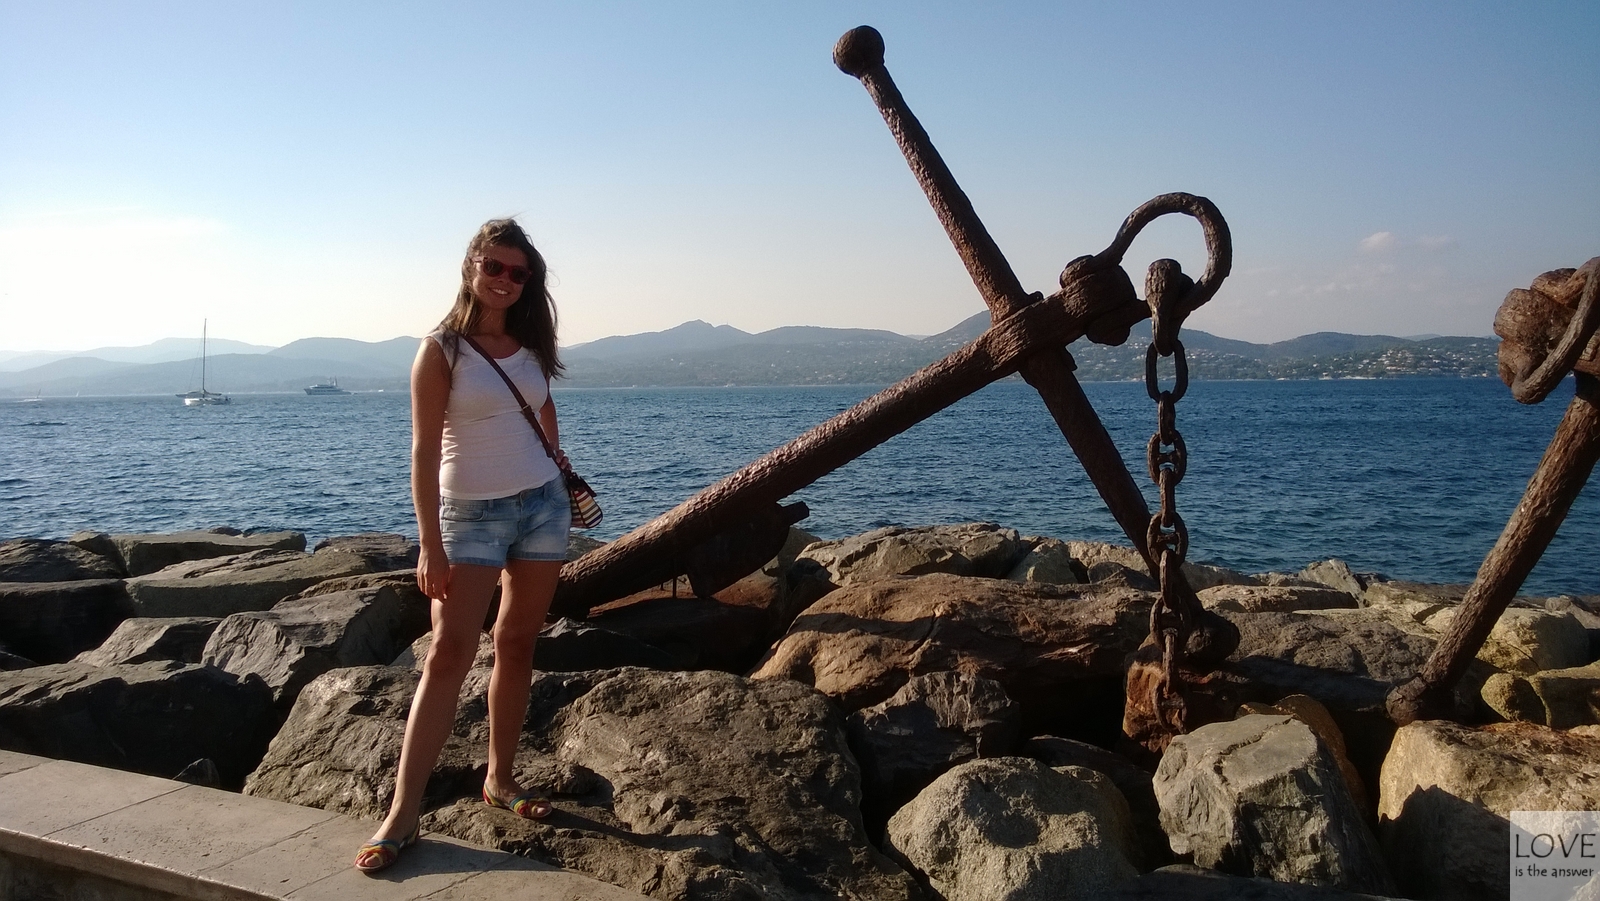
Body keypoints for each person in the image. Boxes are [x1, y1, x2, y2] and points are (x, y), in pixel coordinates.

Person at [355, 219, 571, 874]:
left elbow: (542, 406)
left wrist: (556, 459)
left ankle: (500, 779)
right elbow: (423, 451)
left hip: (542, 507)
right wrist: (430, 542)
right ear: (471, 265)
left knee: (518, 642)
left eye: (518, 272)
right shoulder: (441, 350)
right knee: (449, 652)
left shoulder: (531, 344)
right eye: (494, 266)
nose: (505, 280)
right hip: (470, 517)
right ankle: (401, 814)